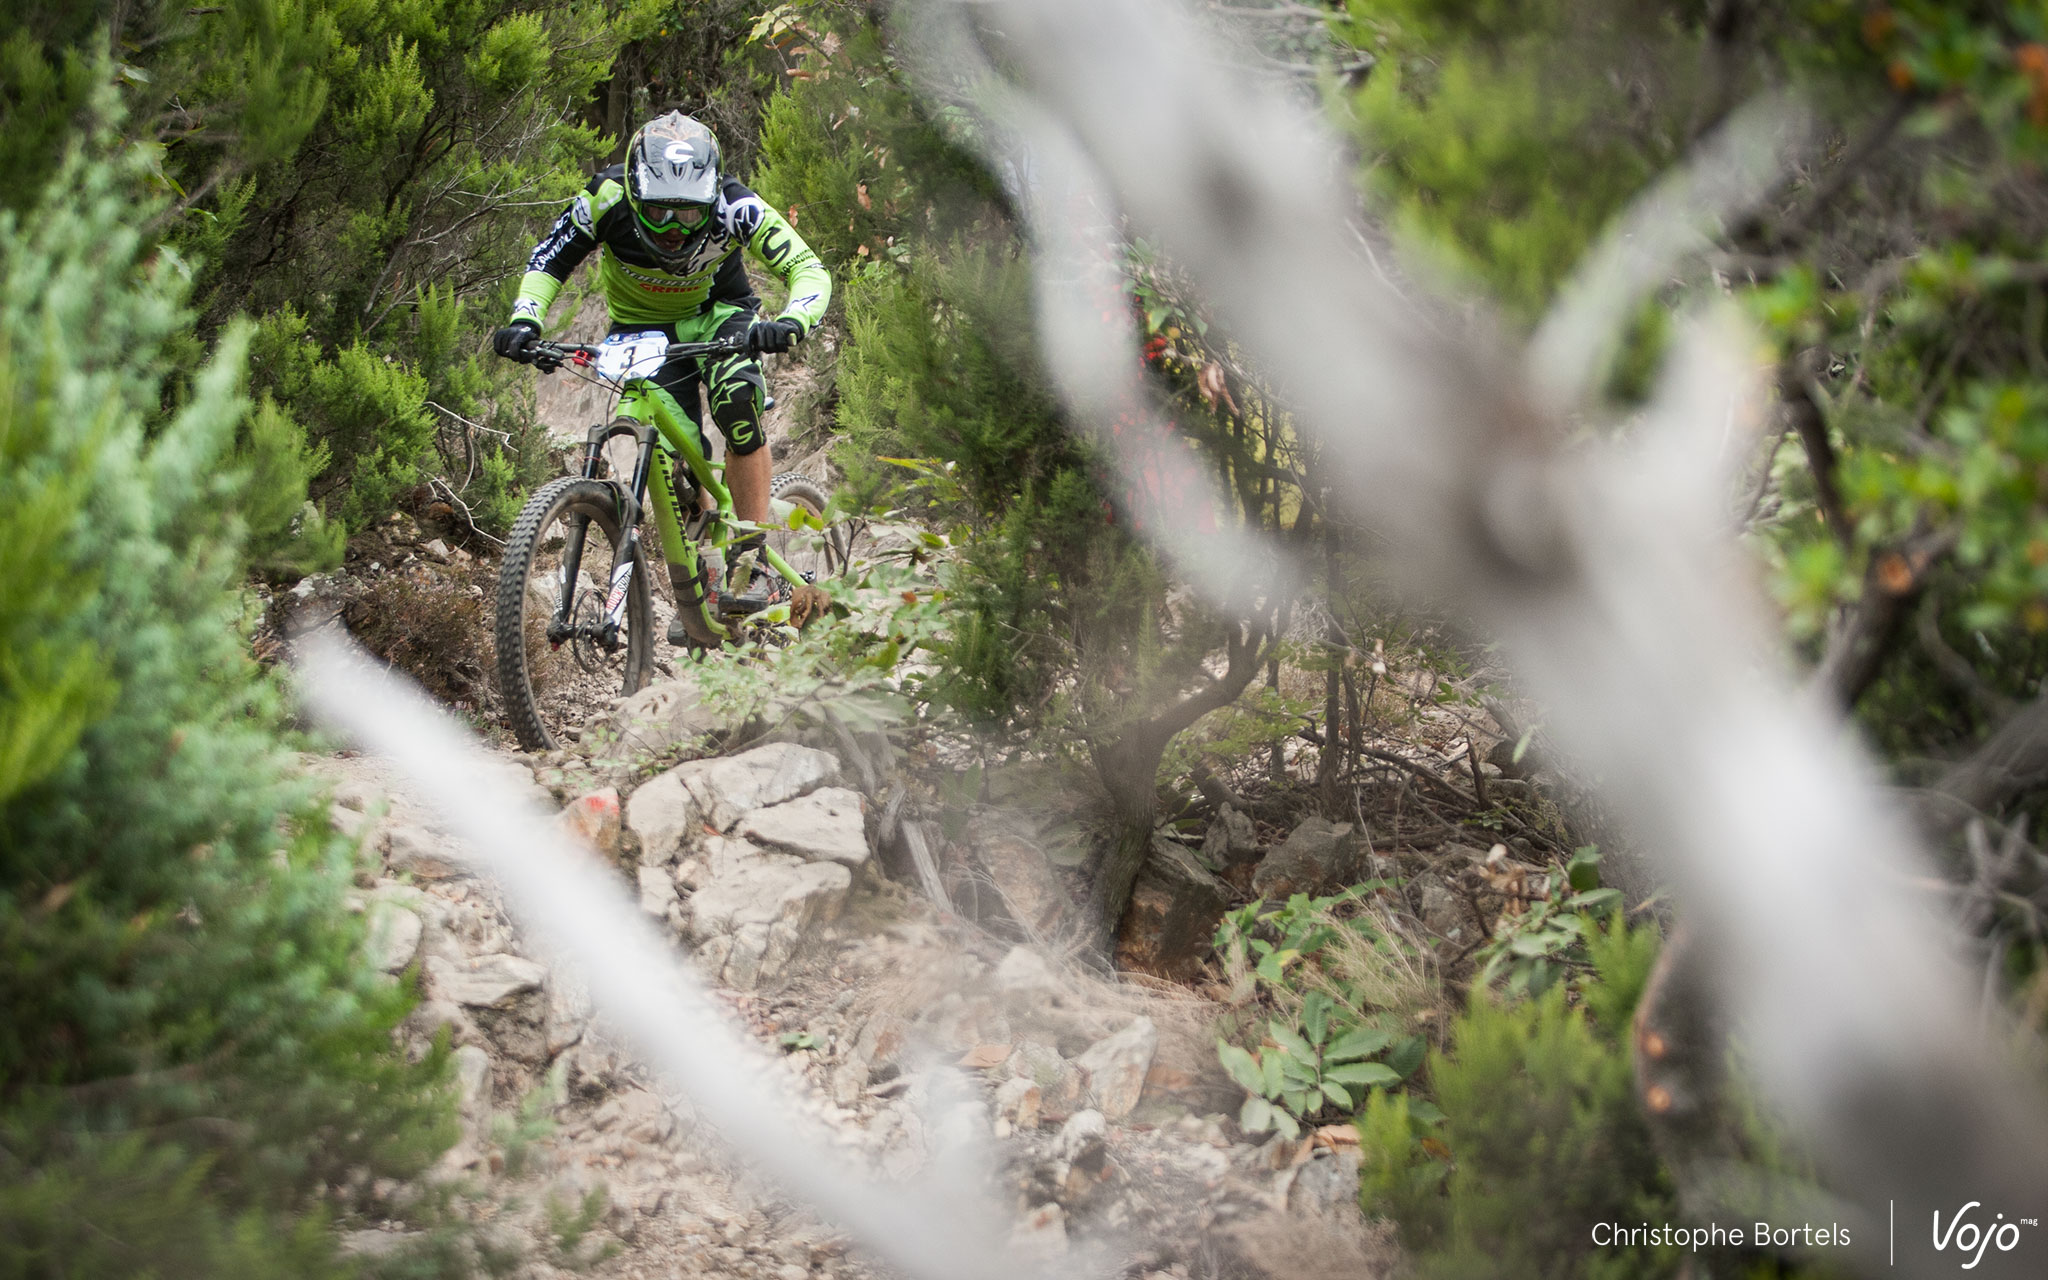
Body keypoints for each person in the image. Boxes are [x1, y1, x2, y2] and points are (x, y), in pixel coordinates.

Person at [492, 111, 831, 640]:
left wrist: (790, 321)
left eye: (689, 215)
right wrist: (525, 319)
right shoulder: (605, 198)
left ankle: (749, 560)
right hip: (643, 330)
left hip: (722, 316)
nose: (674, 228)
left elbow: (807, 269)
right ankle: (700, 584)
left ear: (712, 198)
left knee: (739, 404)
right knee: (677, 472)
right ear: (632, 192)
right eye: (659, 211)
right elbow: (548, 260)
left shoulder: (736, 204)